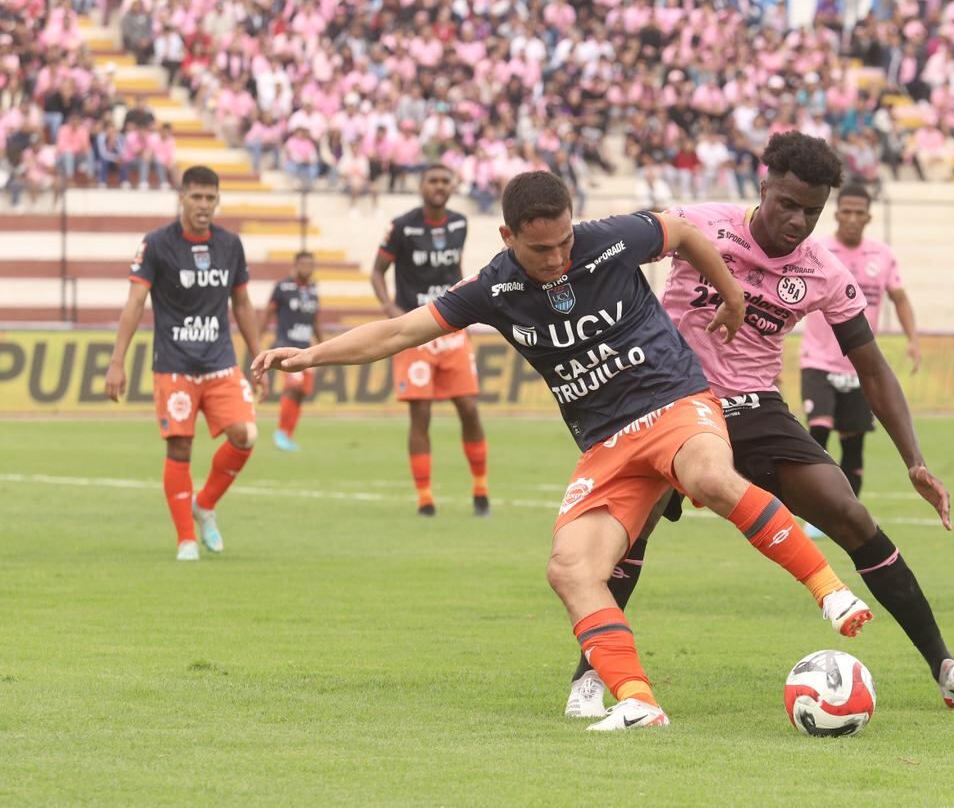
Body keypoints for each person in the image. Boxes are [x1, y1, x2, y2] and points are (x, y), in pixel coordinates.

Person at [255, 170, 875, 731]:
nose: (555, 258)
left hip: (674, 403)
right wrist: (310, 354)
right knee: (571, 569)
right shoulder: (492, 289)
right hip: (606, 444)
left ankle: (829, 590)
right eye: (538, 248)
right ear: (507, 235)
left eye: (563, 242)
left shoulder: (611, 238)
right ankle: (637, 701)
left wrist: (731, 293)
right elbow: (397, 331)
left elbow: (683, 233)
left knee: (710, 475)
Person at [558, 133, 954, 719]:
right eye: (787, 204)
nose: (798, 221)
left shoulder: (824, 270)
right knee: (628, 536)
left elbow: (871, 367)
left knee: (849, 512)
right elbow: (607, 249)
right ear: (763, 186)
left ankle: (946, 669)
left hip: (753, 406)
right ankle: (590, 676)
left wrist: (914, 460)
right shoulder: (700, 225)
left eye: (811, 211)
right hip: (669, 398)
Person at [105, 166, 261, 561]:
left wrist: (258, 355)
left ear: (218, 200)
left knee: (246, 435)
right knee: (180, 447)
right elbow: (135, 303)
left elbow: (241, 303)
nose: (204, 205)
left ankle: (205, 504)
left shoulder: (230, 245)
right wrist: (117, 362)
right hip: (174, 365)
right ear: (182, 197)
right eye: (197, 197)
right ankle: (186, 539)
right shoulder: (156, 244)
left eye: (211, 197)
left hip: (221, 362)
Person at [370, 165, 490, 517]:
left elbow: (455, 269)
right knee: (420, 415)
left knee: (468, 408)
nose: (439, 187)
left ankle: (481, 490)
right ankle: (425, 498)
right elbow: (377, 271)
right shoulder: (402, 226)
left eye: (444, 181)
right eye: (432, 181)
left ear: (452, 186)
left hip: (452, 327)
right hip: (415, 331)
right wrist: (390, 308)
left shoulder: (459, 223)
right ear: (421, 186)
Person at [800, 182, 920, 499]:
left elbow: (900, 298)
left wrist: (913, 339)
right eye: (847, 212)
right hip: (818, 361)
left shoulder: (882, 256)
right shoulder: (816, 250)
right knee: (818, 432)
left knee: (853, 442)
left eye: (859, 213)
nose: (852, 218)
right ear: (836, 214)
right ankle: (816, 504)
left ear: (868, 218)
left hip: (858, 367)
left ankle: (846, 510)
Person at [262, 252, 322, 451]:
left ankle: (287, 434)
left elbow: (316, 321)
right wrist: (257, 337)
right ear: (296, 265)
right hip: (287, 345)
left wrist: (323, 346)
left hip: (307, 348)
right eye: (303, 263)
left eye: (310, 264)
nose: (307, 267)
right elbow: (268, 313)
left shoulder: (313, 290)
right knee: (293, 387)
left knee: (302, 393)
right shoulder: (283, 287)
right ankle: (280, 433)